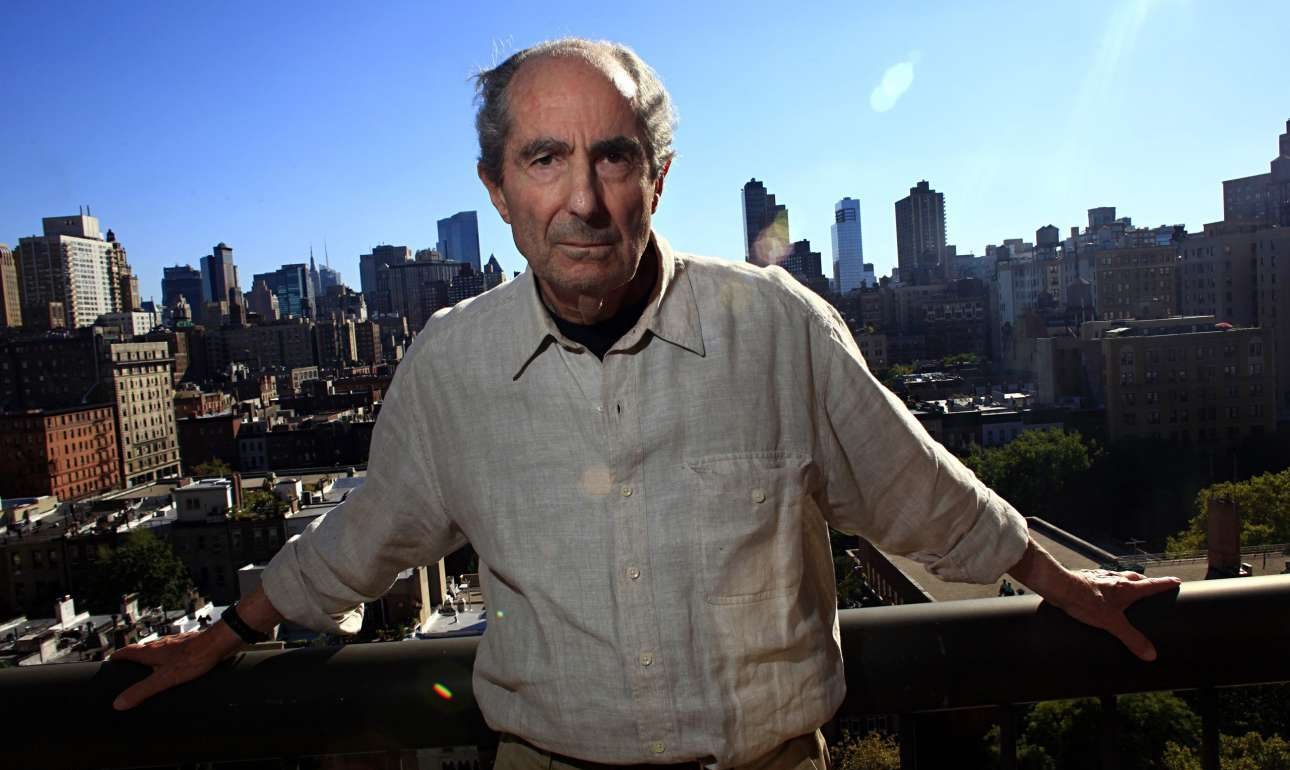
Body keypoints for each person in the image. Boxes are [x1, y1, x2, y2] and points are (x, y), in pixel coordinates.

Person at [111, 38, 1180, 769]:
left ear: (658, 177)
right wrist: (226, 631)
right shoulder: (452, 365)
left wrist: (1066, 582)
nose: (582, 199)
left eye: (612, 157)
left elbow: (917, 490)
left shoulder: (775, 326)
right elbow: (364, 536)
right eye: (544, 159)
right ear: (498, 190)